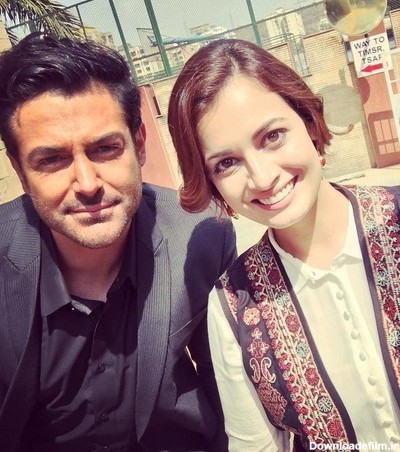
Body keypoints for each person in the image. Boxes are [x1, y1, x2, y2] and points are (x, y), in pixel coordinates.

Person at [0, 33, 236, 452]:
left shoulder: (200, 236)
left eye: (105, 149)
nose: (87, 184)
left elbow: (229, 387)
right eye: (51, 159)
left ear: (139, 146)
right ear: (20, 171)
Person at [168, 38, 400, 451]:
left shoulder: (394, 219)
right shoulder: (233, 306)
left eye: (272, 136)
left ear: (308, 122)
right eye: (226, 163)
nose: (262, 177)